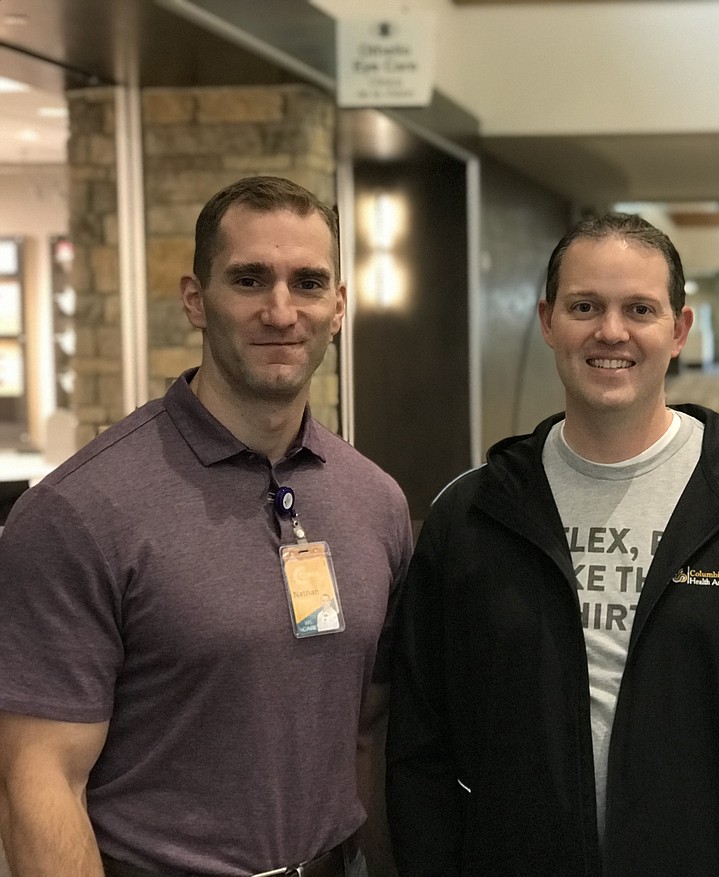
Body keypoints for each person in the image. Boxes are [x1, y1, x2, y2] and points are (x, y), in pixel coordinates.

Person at [384, 212, 719, 876]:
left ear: (679, 329)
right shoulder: (471, 515)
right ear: (547, 320)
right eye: (585, 305)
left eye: (639, 309)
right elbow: (422, 747)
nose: (610, 331)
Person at [0, 176, 413, 876]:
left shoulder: (376, 501)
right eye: (249, 279)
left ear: (338, 306)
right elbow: (38, 781)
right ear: (197, 298)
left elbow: (369, 733)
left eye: (308, 283)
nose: (281, 310)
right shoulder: (78, 512)